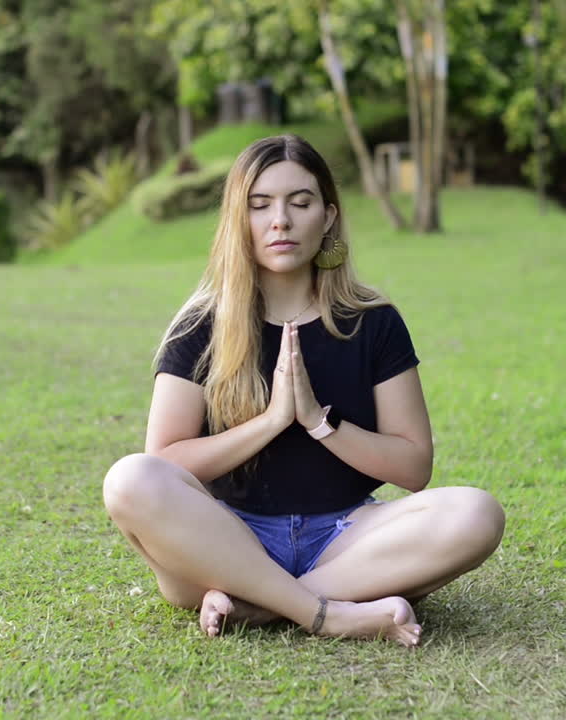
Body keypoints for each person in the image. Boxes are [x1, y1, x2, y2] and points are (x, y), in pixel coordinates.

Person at [102, 134, 505, 648]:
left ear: (329, 216)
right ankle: (329, 615)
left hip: (346, 540)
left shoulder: (372, 322)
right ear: (237, 218)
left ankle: (259, 605)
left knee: (477, 513)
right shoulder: (201, 324)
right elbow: (166, 460)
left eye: (301, 202)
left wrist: (319, 421)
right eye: (260, 204)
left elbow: (413, 468)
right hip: (227, 541)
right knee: (129, 479)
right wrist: (271, 421)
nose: (281, 221)